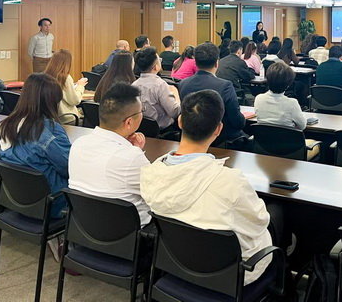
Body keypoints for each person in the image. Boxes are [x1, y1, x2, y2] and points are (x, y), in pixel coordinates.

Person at [140, 90, 274, 285]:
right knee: (275, 215)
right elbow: (259, 221)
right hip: (228, 276)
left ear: (180, 122)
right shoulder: (230, 181)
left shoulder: (150, 173)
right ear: (218, 129)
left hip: (175, 263)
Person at [69, 83, 151, 226]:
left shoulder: (78, 144)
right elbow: (155, 194)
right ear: (129, 122)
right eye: (141, 111)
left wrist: (131, 149)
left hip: (85, 226)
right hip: (129, 231)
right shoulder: (131, 157)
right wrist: (135, 151)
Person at [0, 73, 71, 220]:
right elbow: (69, 168)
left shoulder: (5, 126)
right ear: (51, 102)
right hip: (54, 204)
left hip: (18, 200)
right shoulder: (50, 131)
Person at [178, 42, 246, 145]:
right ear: (217, 63)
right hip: (220, 138)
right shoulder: (225, 86)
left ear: (195, 63)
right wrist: (243, 121)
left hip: (191, 136)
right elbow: (236, 120)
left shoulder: (183, 83)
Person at [133, 47, 181, 131]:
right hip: (162, 131)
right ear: (156, 67)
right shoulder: (160, 85)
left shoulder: (133, 85)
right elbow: (174, 112)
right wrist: (176, 94)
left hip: (139, 129)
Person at [255, 62, 306, 130]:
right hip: (287, 137)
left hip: (263, 136)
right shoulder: (292, 103)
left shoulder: (258, 99)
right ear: (288, 85)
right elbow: (302, 126)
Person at [43, 48, 88, 124]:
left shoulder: (46, 76)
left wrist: (74, 85)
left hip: (52, 118)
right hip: (67, 119)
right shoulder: (65, 78)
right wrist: (80, 86)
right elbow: (75, 100)